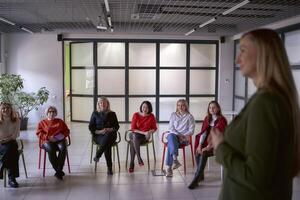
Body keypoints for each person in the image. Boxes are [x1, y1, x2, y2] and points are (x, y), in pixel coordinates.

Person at [211, 29, 300, 200]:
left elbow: (255, 177)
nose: (237, 60)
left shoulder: (265, 103)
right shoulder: (274, 99)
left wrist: (220, 147)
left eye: (243, 50)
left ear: (263, 53)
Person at [188, 100, 227, 189]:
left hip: (217, 145)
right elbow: (204, 133)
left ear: (218, 108)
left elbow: (218, 136)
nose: (211, 109)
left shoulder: (222, 120)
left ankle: (196, 178)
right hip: (207, 143)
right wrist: (200, 145)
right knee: (198, 151)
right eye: (210, 107)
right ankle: (200, 174)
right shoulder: (207, 118)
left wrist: (208, 147)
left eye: (214, 107)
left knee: (204, 153)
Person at [36, 106, 70, 180]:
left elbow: (67, 131)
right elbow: (39, 133)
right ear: (47, 113)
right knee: (51, 149)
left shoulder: (60, 121)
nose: (51, 113)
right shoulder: (42, 123)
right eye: (50, 111)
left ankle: (58, 171)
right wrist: (48, 137)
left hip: (59, 140)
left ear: (56, 113)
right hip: (47, 140)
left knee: (63, 148)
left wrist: (60, 137)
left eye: (53, 111)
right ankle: (58, 171)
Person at [89, 97, 119, 175]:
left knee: (108, 137)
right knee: (107, 145)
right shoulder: (95, 113)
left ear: (107, 104)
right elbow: (91, 127)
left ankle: (98, 154)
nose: (102, 104)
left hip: (111, 134)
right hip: (99, 136)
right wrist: (100, 131)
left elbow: (117, 126)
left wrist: (109, 129)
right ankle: (109, 168)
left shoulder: (112, 113)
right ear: (98, 104)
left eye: (104, 102)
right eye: (101, 103)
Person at [165, 99, 195, 177]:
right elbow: (171, 128)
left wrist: (183, 136)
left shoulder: (189, 117)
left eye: (182, 105)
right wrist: (178, 135)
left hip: (184, 139)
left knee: (170, 144)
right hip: (174, 136)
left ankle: (169, 168)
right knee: (171, 136)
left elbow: (191, 130)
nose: (180, 107)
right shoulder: (173, 115)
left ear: (186, 106)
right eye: (178, 105)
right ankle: (175, 161)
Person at [128, 101, 157, 173]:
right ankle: (139, 158)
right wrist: (143, 132)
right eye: (143, 106)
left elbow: (155, 128)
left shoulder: (151, 116)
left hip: (145, 137)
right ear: (141, 107)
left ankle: (132, 163)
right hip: (137, 134)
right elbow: (133, 129)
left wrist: (149, 132)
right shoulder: (136, 115)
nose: (145, 108)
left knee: (133, 140)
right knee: (134, 136)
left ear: (149, 108)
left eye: (147, 107)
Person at [0, 102, 20, 188]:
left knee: (11, 147)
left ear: (11, 109)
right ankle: (12, 178)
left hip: (11, 142)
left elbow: (15, 135)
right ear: (0, 110)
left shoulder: (16, 120)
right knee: (12, 152)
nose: (5, 110)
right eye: (3, 108)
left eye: (8, 108)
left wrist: (6, 140)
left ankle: (1, 168)